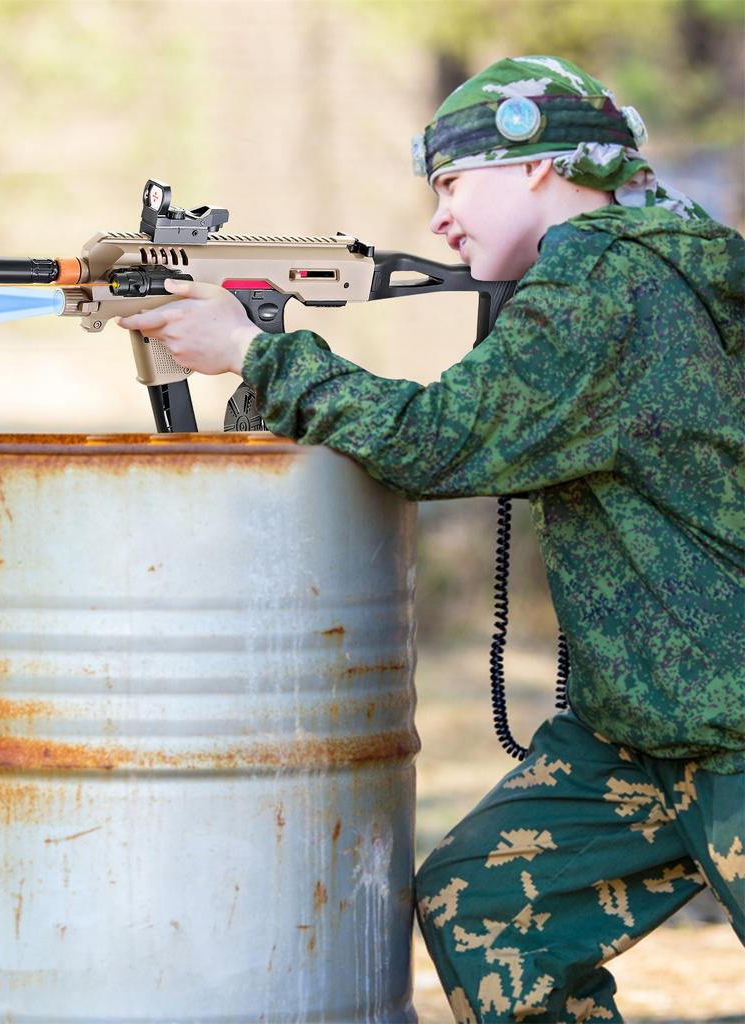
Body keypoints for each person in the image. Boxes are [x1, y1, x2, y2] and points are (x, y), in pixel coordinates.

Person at [117, 55, 744, 1023]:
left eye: (453, 183)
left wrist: (251, 350)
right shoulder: (643, 267)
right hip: (646, 732)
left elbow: (433, 442)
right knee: (485, 905)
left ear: (535, 165)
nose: (441, 218)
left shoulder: (604, 281)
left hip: (730, 724)